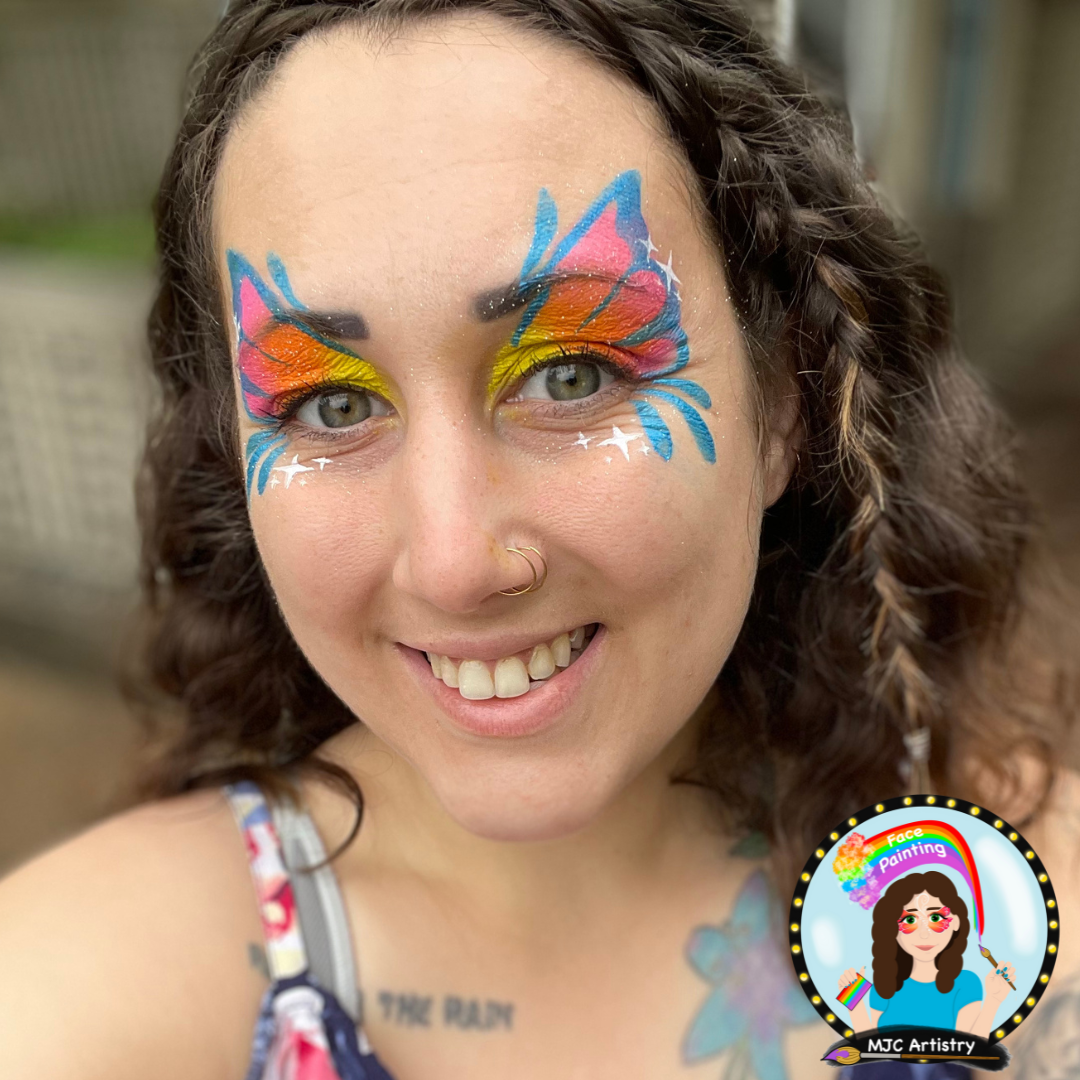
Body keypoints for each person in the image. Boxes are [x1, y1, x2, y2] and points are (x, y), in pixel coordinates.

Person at [0, 1, 1076, 1078]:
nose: (456, 561)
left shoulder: (1008, 900)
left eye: (573, 375)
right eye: (330, 407)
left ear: (787, 402)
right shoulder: (81, 987)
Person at [839, 871, 1015, 1038]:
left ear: (955, 922)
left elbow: (968, 1050)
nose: (924, 934)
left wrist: (993, 1000)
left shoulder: (967, 984)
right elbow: (872, 1051)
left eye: (936, 918)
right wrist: (853, 1000)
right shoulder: (883, 985)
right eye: (910, 920)